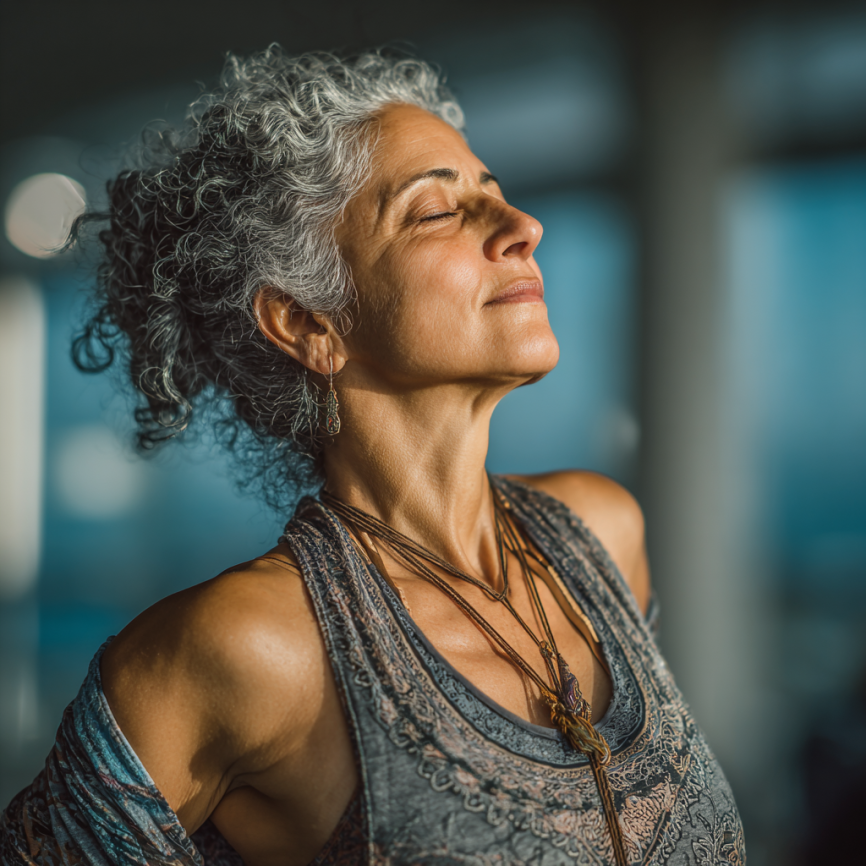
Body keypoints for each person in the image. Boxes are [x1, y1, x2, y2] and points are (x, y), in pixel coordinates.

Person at [1, 46, 744, 866]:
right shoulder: (245, 648)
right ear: (307, 322)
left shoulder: (600, 531)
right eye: (436, 212)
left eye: (494, 195)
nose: (524, 228)